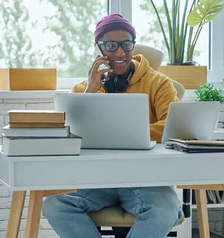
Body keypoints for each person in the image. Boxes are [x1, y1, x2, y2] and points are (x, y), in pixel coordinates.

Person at [42, 14, 183, 238]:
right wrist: (90, 91)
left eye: (126, 45)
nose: (119, 53)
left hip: (146, 180)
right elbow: (69, 135)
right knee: (54, 204)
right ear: (98, 48)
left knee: (166, 209)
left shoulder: (159, 83)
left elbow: (172, 128)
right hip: (96, 180)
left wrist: (127, 135)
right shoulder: (82, 90)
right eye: (110, 45)